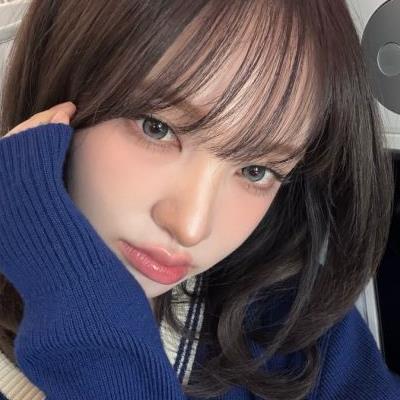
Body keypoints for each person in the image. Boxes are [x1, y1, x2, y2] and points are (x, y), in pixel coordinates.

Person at [0, 1, 399, 399]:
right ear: (60, 77)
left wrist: (86, 317)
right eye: (156, 128)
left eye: (256, 170)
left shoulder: (295, 331)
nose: (191, 226)